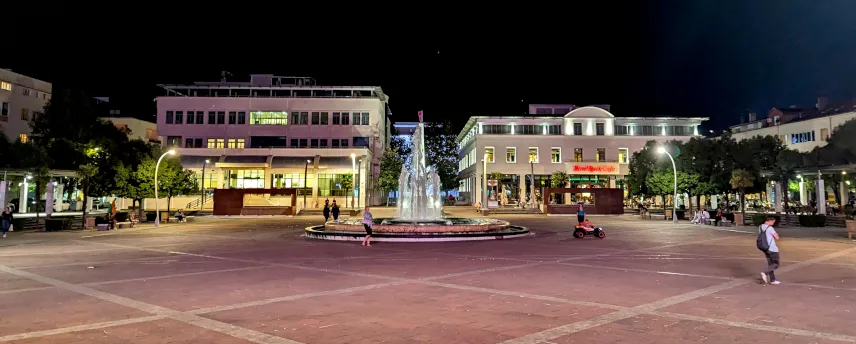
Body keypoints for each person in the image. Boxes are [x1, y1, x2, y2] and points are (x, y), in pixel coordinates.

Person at [758, 217, 781, 285]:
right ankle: (765, 273)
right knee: (776, 264)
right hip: (772, 248)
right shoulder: (770, 228)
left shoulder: (760, 227)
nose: (773, 224)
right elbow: (777, 237)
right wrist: (776, 234)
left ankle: (772, 280)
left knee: (770, 264)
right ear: (770, 221)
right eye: (773, 222)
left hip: (765, 248)